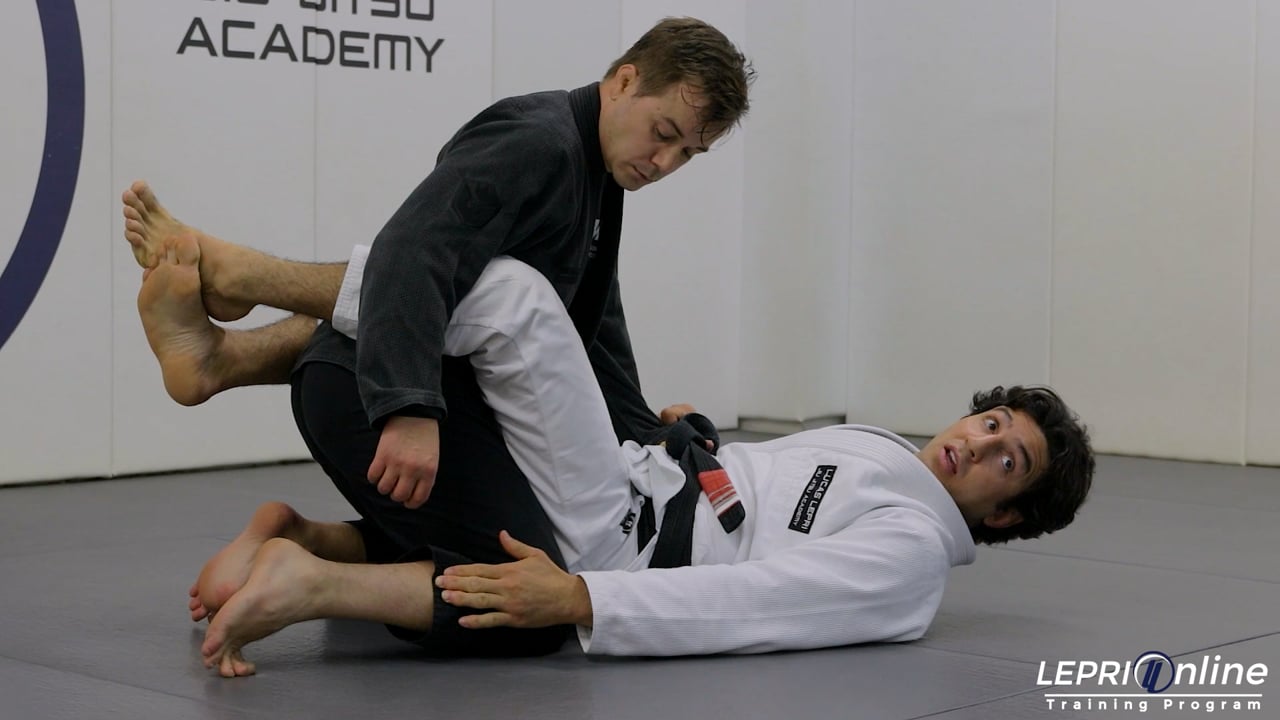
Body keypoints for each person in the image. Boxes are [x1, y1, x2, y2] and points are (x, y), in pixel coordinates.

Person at [129, 226, 1094, 676]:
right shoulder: (879, 448)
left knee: (512, 299)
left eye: (1007, 461)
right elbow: (760, 493)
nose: (977, 445)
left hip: (625, 545)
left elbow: (762, 599)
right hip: (643, 479)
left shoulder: (911, 555)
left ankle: (246, 287)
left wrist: (585, 600)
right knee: (525, 291)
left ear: (1006, 515)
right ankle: (301, 526)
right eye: (990, 424)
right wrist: (699, 435)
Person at [123, 15, 754, 665]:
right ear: (623, 82)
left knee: (531, 552)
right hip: (375, 393)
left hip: (397, 374)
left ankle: (299, 527)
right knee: (532, 594)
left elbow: (591, 334)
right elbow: (411, 251)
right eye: (664, 134)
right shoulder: (538, 140)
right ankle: (305, 578)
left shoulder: (599, 174)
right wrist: (410, 407)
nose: (664, 163)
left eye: (687, 155)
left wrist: (650, 435)